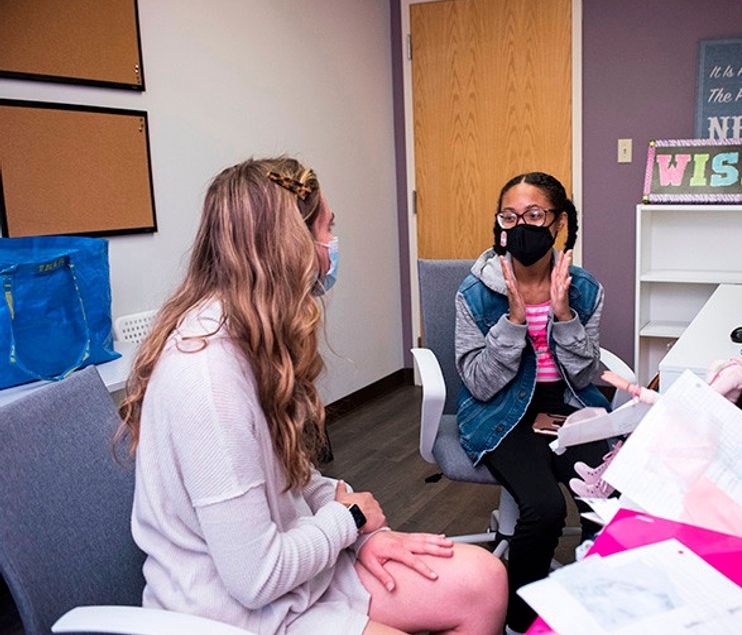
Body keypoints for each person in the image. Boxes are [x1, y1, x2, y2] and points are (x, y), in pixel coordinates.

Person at [114, 157, 507, 635]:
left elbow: (292, 483)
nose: (330, 250)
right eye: (325, 231)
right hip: (236, 613)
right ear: (288, 248)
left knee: (485, 579)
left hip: (302, 571)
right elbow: (255, 578)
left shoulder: (254, 339)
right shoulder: (207, 379)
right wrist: (350, 518)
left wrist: (361, 535)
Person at [454, 171, 612, 634]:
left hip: (568, 404)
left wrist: (564, 317)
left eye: (534, 215)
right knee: (544, 510)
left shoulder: (583, 289)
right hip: (500, 414)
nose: (520, 225)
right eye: (509, 216)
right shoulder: (475, 293)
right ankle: (520, 624)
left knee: (608, 501)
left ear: (558, 222)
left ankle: (590, 608)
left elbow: (585, 376)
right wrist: (513, 323)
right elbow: (480, 385)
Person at [571, 299, 742, 498]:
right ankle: (602, 477)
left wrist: (641, 393)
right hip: (722, 449)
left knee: (641, 433)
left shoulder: (738, 373)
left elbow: (693, 403)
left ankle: (605, 485)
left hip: (702, 444)